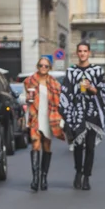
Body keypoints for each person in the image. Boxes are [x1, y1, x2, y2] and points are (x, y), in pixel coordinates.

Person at [59, 42, 105, 191]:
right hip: (76, 114)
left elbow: (103, 91)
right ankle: (78, 173)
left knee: (90, 147)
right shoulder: (71, 72)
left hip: (92, 114)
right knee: (78, 145)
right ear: (77, 53)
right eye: (80, 51)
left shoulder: (97, 71)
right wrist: (67, 113)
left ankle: (87, 177)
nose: (82, 53)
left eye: (85, 51)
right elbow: (65, 93)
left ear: (89, 53)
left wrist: (92, 89)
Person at [24, 57, 65, 192]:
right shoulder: (29, 81)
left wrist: (61, 118)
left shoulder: (54, 83)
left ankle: (44, 177)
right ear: (37, 66)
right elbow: (24, 97)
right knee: (35, 145)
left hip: (49, 117)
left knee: (46, 146)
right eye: (41, 65)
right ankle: (35, 179)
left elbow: (59, 102)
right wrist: (26, 99)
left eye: (46, 66)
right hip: (35, 115)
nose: (43, 68)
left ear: (49, 68)